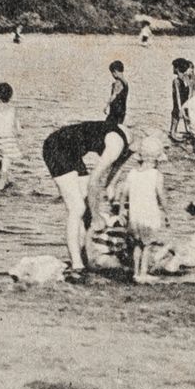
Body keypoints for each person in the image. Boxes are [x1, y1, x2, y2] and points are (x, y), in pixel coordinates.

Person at [43, 119, 133, 279]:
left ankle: (87, 256)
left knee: (86, 208)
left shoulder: (130, 144)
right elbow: (94, 181)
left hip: (73, 152)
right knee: (77, 208)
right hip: (56, 146)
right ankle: (77, 264)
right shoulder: (117, 145)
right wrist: (97, 215)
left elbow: (110, 182)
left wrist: (114, 207)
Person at [125, 132, 170, 282]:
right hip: (148, 216)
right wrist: (166, 211)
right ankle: (143, 274)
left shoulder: (132, 173)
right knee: (147, 245)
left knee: (137, 245)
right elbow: (161, 195)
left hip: (134, 216)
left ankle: (135, 272)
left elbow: (124, 194)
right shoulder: (156, 175)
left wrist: (120, 211)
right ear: (157, 159)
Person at [0, 82, 21, 189]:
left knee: (1, 168)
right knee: (4, 170)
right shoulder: (13, 110)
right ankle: (4, 184)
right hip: (8, 141)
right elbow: (18, 128)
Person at [105, 60, 129, 127]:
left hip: (115, 112)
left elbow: (114, 96)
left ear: (115, 72)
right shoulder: (126, 83)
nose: (112, 75)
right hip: (122, 111)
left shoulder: (118, 83)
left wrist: (106, 106)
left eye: (112, 73)